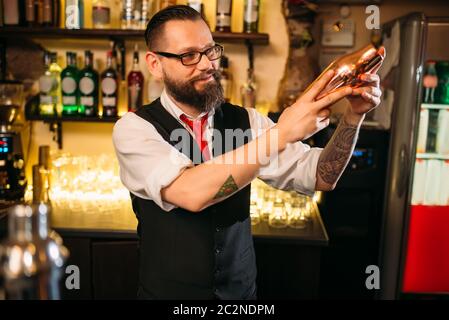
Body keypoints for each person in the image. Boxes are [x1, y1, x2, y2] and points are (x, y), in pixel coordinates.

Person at [112, 5, 382, 300]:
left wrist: (354, 117)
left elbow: (321, 176)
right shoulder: (134, 129)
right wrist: (281, 134)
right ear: (155, 64)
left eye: (210, 50)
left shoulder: (248, 121)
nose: (206, 65)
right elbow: (191, 194)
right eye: (189, 55)